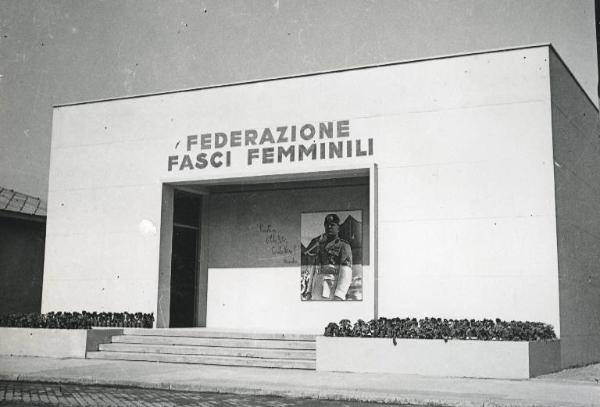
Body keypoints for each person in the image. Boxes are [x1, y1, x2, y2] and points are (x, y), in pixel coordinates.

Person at [304, 213, 353, 301]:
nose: (329, 227)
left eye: (332, 225)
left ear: (338, 228)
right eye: (327, 225)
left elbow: (346, 271)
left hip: (331, 292)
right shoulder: (320, 246)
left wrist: (339, 294)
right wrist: (308, 291)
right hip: (316, 291)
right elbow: (314, 270)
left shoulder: (343, 246)